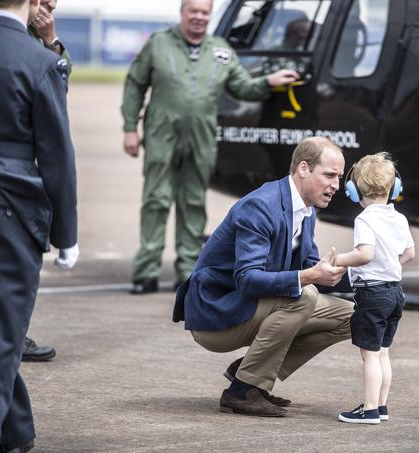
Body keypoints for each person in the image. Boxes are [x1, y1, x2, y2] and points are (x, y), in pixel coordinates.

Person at [121, 0, 299, 295]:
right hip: (161, 134)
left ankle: (188, 270)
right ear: (182, 13)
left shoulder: (220, 50)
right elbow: (134, 85)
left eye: (205, 12)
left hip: (201, 138)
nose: (199, 18)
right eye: (194, 11)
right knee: (156, 199)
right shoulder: (159, 44)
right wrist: (130, 127)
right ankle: (146, 271)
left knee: (193, 203)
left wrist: (268, 81)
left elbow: (243, 87)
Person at [0, 0, 78, 450]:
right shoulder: (41, 61)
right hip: (8, 208)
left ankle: (16, 432)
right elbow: (57, 155)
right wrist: (66, 234)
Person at [173, 137, 354, 417]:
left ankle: (249, 370)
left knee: (354, 316)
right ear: (303, 168)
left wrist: (371, 277)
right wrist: (308, 276)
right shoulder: (260, 206)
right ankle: (243, 392)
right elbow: (247, 279)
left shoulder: (306, 211)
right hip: (218, 313)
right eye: (329, 175)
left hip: (254, 305)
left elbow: (310, 267)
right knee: (304, 295)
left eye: (339, 177)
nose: (336, 185)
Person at [332, 152, 415, 424]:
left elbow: (365, 254)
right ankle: (381, 406)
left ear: (354, 191)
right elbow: (410, 254)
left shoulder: (365, 219)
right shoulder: (399, 218)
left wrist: (339, 260)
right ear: (394, 188)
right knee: (383, 353)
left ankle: (368, 409)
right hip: (395, 292)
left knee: (369, 356)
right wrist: (390, 262)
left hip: (372, 293)